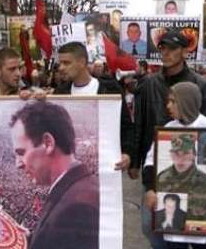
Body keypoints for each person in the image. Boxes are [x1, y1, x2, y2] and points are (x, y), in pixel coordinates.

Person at [143, 82, 206, 249]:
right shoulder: (168, 130)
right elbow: (150, 162)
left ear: (185, 102)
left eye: (172, 101)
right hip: (174, 225)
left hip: (205, 224)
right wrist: (150, 189)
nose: (168, 106)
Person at [135, 30, 206, 249]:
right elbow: (141, 119)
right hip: (156, 161)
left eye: (172, 48)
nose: (166, 53)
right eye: (163, 48)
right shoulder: (149, 83)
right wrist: (135, 159)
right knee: (149, 223)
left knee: (185, 219)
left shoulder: (200, 84)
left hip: (187, 162)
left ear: (185, 52)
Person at [9, 101, 99, 249]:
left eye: (21, 153)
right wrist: (32, 240)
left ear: (48, 143)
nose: (18, 164)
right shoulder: (78, 187)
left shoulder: (76, 208)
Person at [53, 42, 132, 172]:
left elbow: (126, 126)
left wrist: (127, 153)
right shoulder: (60, 93)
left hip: (105, 167)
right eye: (60, 64)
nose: (61, 68)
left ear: (82, 62)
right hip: (72, 168)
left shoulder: (110, 90)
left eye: (66, 63)